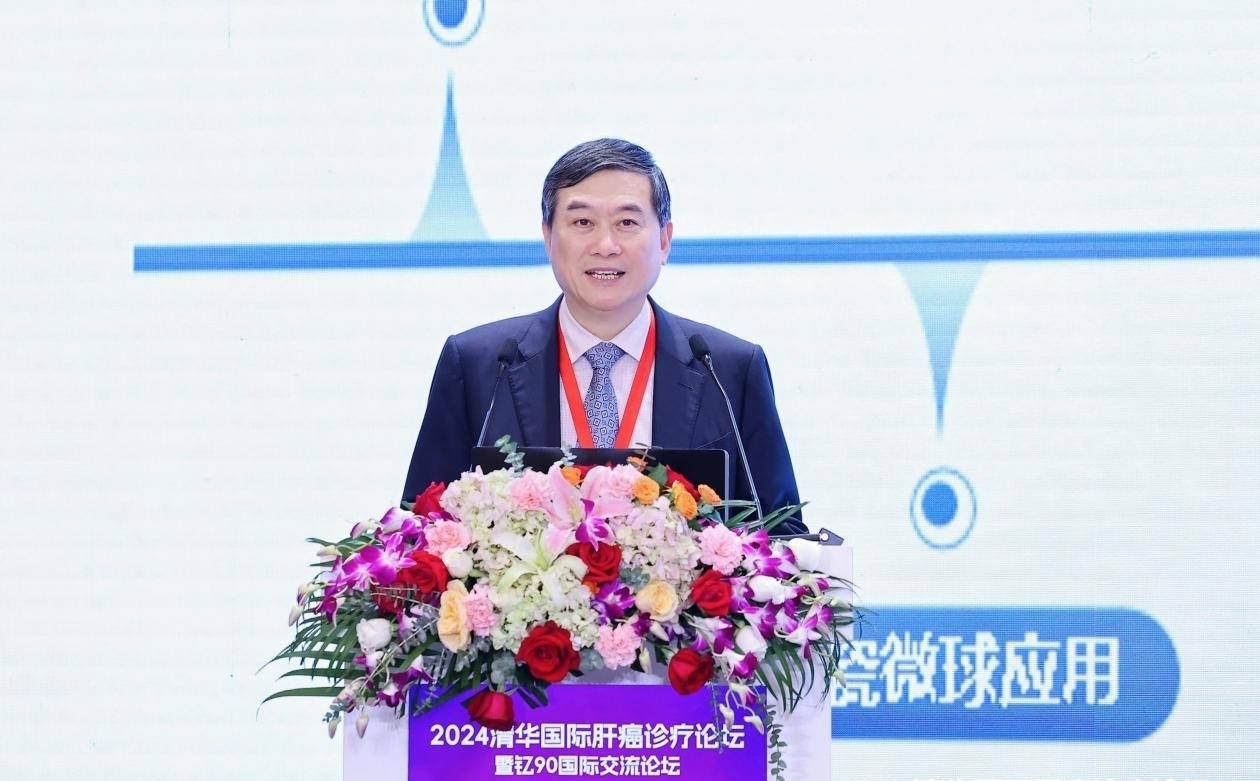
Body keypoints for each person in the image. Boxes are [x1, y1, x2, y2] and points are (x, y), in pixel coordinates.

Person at [401, 138, 805, 534]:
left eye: (627, 223)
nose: (605, 245)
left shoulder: (728, 369)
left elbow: (782, 532)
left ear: (664, 240)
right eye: (582, 223)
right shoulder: (479, 365)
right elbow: (419, 527)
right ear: (548, 237)